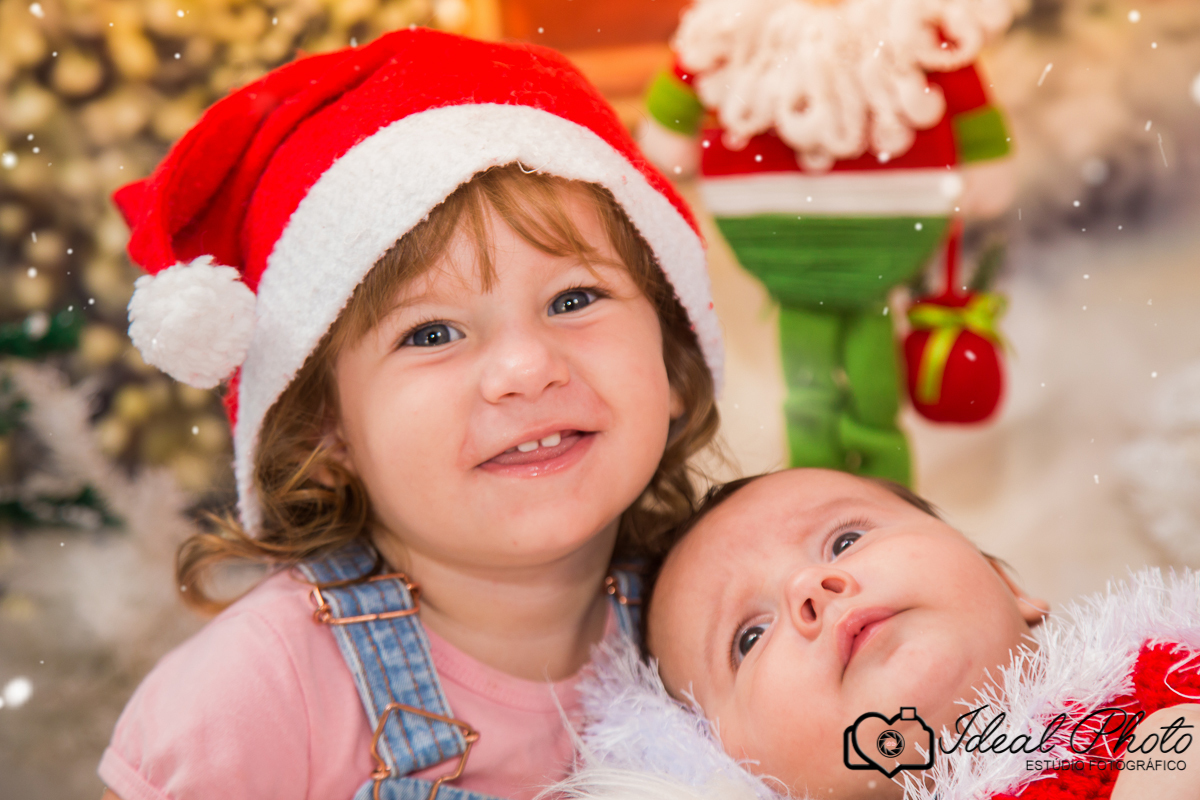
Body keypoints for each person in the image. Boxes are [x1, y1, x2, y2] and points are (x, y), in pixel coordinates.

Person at [98, 28, 723, 800]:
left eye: (574, 298)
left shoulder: (724, 625)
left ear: (673, 356)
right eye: (431, 334)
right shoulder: (250, 698)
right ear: (324, 432)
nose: (526, 369)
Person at [564, 469, 1200, 800]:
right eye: (749, 638)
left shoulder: (1163, 679)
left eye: (846, 540)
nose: (811, 587)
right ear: (739, 774)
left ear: (1008, 583)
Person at [639, 0, 1019, 485]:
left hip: (872, 239)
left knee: (840, 382)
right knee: (813, 386)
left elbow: (960, 80)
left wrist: (985, 156)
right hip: (788, 241)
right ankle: (830, 481)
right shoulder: (735, 24)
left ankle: (873, 481)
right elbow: (686, 78)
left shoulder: (912, 23)